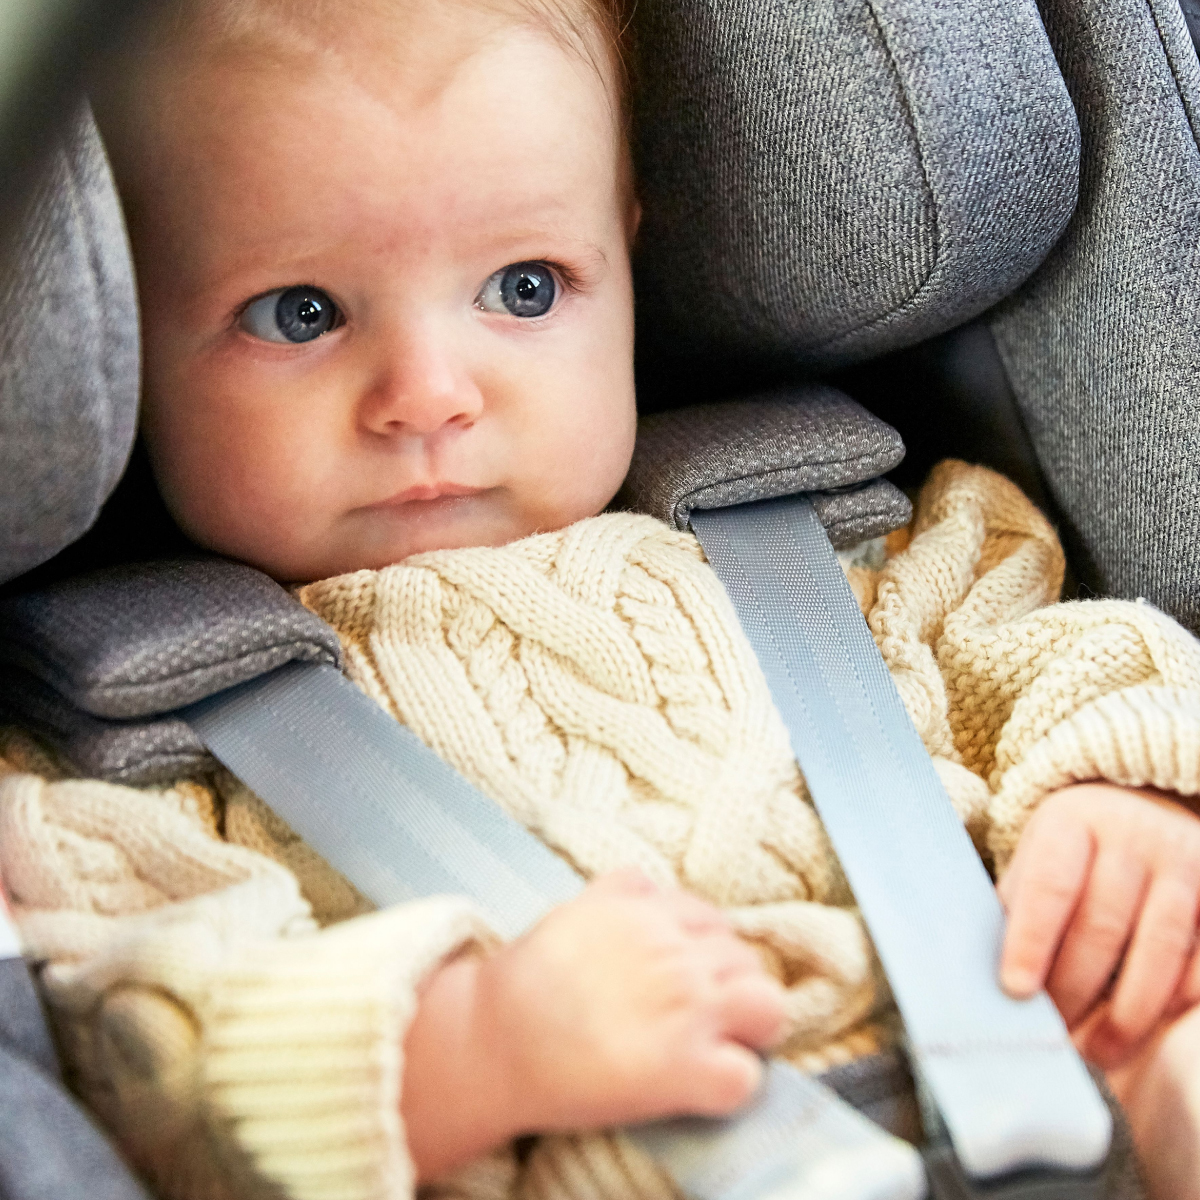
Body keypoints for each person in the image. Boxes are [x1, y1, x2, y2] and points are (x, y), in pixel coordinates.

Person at [1, 0, 1199, 1196]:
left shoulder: (831, 541)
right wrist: (471, 1053)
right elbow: (138, 1066)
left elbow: (1054, 649)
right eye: (299, 313)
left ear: (626, 255)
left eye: (525, 288)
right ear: (130, 347)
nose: (430, 396)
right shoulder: (125, 751)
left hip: (1054, 1098)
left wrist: (1121, 788)